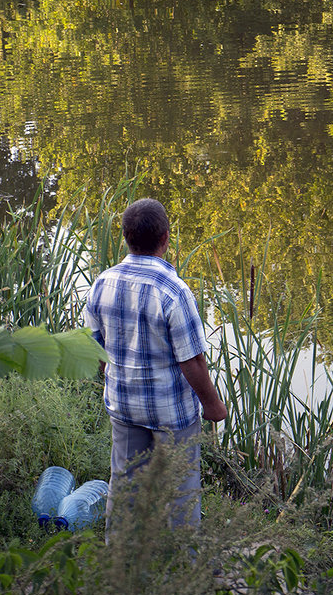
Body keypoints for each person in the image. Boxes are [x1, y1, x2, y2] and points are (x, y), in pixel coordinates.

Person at [83, 197, 228, 530]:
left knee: (124, 483)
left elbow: (95, 348)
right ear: (166, 237)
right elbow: (192, 361)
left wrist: (112, 373)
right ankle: (185, 567)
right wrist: (213, 405)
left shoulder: (102, 283)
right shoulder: (174, 291)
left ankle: (120, 559)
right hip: (171, 414)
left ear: (125, 238)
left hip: (123, 406)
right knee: (181, 489)